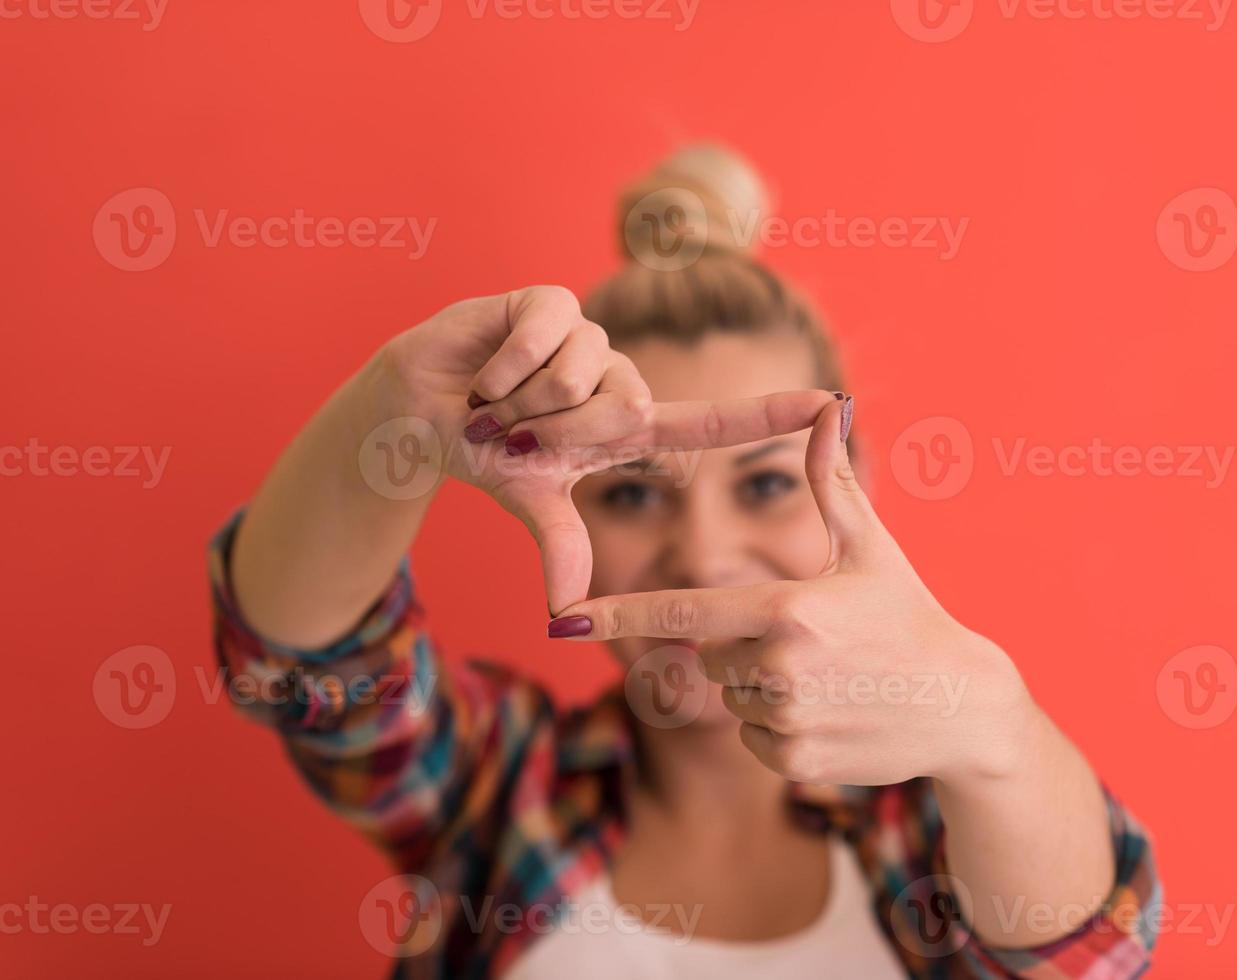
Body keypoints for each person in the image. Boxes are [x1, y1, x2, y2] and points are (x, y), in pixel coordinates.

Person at [209, 146, 1160, 978]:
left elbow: (1089, 957)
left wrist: (989, 724)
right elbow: (300, 669)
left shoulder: (924, 835)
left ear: (855, 488)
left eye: (764, 486)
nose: (703, 555)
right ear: (562, 504)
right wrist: (390, 415)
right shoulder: (502, 787)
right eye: (630, 491)